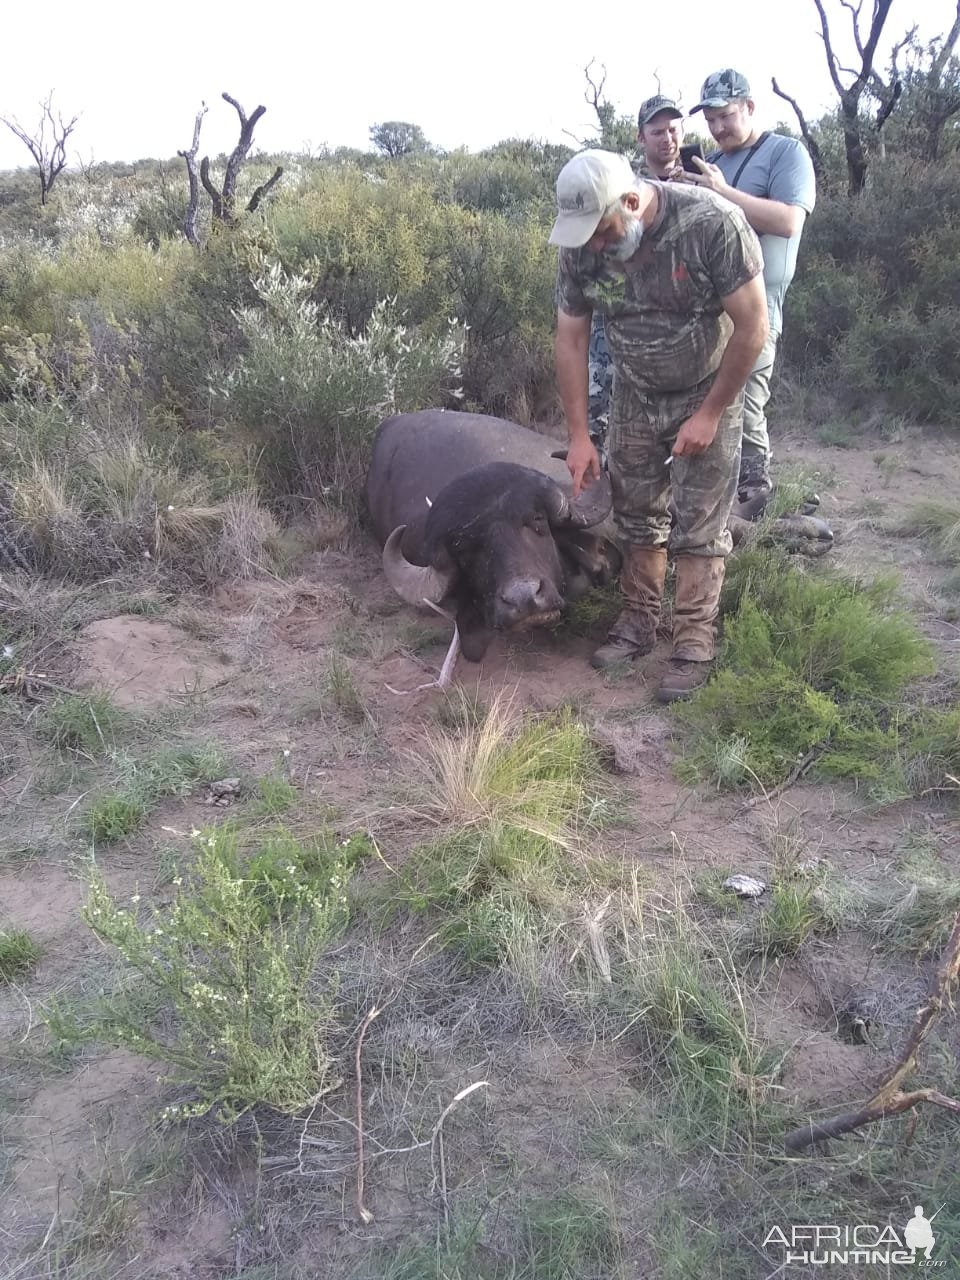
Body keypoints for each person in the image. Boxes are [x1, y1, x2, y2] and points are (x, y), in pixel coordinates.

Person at [551, 150, 768, 701]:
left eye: (602, 232)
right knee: (636, 516)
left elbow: (752, 326)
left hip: (706, 387)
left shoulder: (710, 223)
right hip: (634, 394)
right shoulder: (581, 249)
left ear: (631, 201)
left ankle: (694, 637)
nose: (595, 247)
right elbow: (571, 338)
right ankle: (639, 621)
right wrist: (579, 436)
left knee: (700, 520)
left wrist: (711, 413)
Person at [686, 69, 816, 501]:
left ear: (749, 108)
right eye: (710, 120)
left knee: (747, 401)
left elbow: (788, 221)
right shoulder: (715, 164)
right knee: (710, 405)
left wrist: (722, 195)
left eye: (725, 116)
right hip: (707, 314)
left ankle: (758, 501)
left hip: (758, 308)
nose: (718, 128)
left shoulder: (785, 153)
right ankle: (720, 498)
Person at [587, 94, 687, 457]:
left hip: (675, 311)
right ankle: (598, 459)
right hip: (621, 302)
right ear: (640, 137)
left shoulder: (702, 184)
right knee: (604, 380)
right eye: (657, 130)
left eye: (673, 129)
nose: (667, 138)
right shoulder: (623, 186)